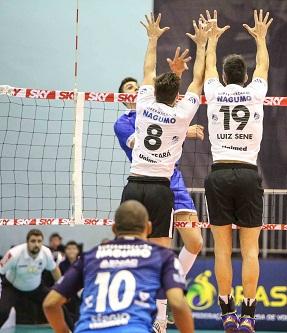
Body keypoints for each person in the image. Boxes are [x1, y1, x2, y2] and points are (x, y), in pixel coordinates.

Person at [119, 12, 207, 333]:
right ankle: (157, 314)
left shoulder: (142, 104)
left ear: (153, 91)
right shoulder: (182, 114)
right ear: (176, 96)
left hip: (133, 185)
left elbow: (146, 71)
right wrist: (203, 44)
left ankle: (137, 310)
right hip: (159, 187)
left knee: (129, 249)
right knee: (159, 255)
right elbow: (197, 82)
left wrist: (153, 39)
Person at [202, 9, 272, 332]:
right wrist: (260, 38)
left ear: (224, 77)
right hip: (247, 173)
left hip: (218, 174)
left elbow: (207, 71)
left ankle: (226, 310)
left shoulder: (214, 92)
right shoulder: (256, 92)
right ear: (244, 78)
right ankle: (249, 313)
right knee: (250, 250)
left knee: (221, 249)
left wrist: (211, 41)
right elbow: (264, 66)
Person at [43, 200, 194, 333]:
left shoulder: (90, 256)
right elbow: (178, 304)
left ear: (114, 228)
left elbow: (50, 304)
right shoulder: (162, 256)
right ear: (148, 228)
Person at [0, 229, 68, 328]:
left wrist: (62, 288)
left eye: (39, 241)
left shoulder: (46, 252)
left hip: (36, 288)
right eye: (33, 241)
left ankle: (73, 330)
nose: (36, 244)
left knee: (57, 304)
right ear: (27, 242)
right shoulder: (13, 254)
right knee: (3, 312)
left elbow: (54, 270)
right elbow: (1, 270)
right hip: (13, 288)